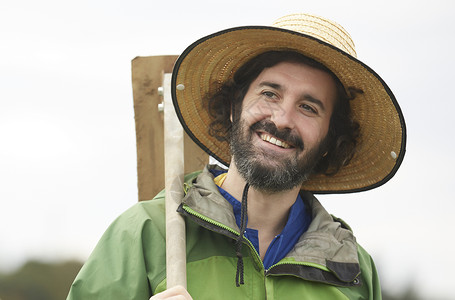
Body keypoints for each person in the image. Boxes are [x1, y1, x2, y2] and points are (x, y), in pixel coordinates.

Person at [67, 13, 406, 299]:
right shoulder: (145, 233)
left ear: (331, 141)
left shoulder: (350, 269)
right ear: (233, 107)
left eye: (308, 107)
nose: (282, 119)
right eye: (270, 93)